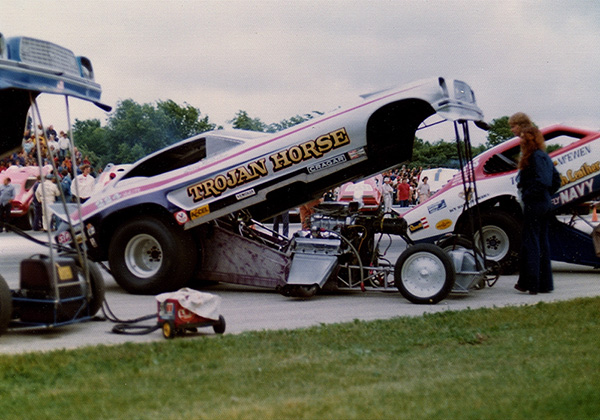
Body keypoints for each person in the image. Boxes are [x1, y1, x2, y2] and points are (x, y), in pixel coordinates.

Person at [514, 126, 555, 295]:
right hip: (545, 203)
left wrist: (528, 194)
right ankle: (545, 283)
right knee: (542, 242)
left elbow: (543, 181)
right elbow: (556, 180)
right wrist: (546, 195)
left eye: (523, 139)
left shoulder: (533, 158)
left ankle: (532, 283)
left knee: (531, 243)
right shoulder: (545, 157)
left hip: (534, 203)